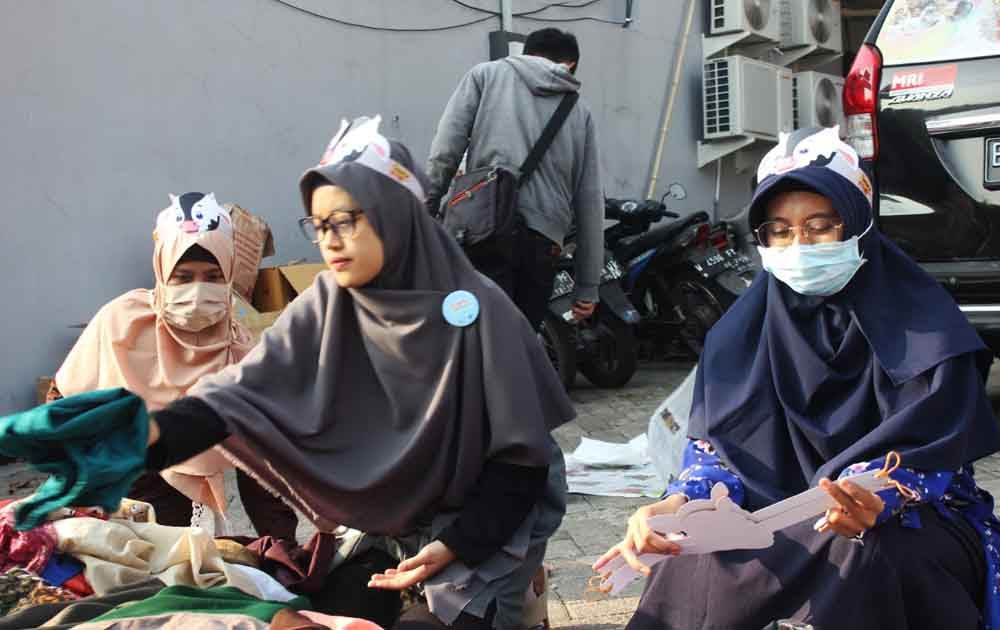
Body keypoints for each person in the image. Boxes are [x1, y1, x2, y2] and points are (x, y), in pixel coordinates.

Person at [136, 117, 574, 629]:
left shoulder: (479, 311)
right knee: (327, 619)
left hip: (486, 521)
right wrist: (142, 436)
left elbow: (522, 463)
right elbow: (236, 397)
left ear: (396, 214)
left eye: (345, 221)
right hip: (386, 524)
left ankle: (518, 600)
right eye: (320, 226)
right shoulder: (328, 303)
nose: (331, 241)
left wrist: (455, 545)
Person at [595, 127, 1000, 630]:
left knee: (864, 552)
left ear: (858, 224)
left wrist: (879, 495)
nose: (799, 244)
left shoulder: (927, 326)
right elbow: (717, 454)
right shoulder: (737, 337)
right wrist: (680, 504)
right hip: (773, 518)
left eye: (820, 226)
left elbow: (934, 460)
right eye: (780, 231)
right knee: (685, 562)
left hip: (907, 521)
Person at [49, 193, 298, 540]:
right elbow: (62, 402)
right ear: (162, 270)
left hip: (174, 496)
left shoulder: (238, 350)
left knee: (180, 550)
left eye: (212, 276)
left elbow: (260, 462)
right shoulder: (121, 323)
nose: (197, 291)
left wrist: (284, 546)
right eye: (183, 277)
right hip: (116, 483)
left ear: (229, 275)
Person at [425, 27, 603, 330]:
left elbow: (446, 149)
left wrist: (427, 206)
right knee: (521, 339)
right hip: (542, 242)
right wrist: (588, 285)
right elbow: (589, 199)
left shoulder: (485, 76)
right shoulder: (580, 111)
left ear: (526, 52)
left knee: (475, 335)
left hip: (482, 229)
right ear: (569, 64)